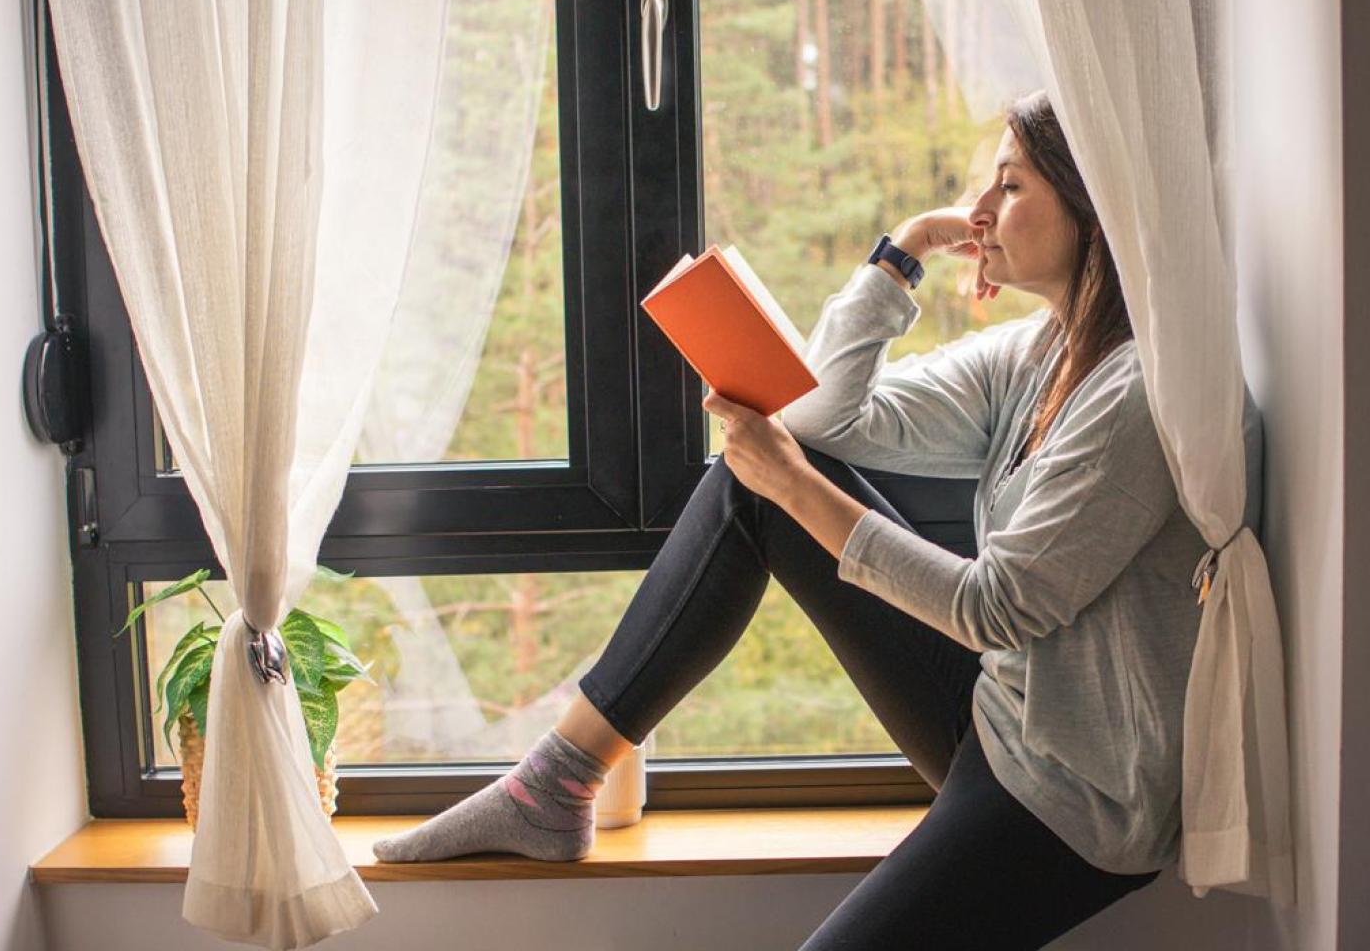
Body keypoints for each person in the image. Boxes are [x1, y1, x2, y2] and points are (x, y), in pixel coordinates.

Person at [373, 90, 1263, 950]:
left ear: (1094, 209)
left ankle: (551, 787)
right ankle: (557, 782)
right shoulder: (1042, 350)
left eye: (1012, 185)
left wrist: (799, 486)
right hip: (1004, 712)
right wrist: (901, 254)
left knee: (779, 480)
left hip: (1075, 796)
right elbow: (820, 418)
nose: (981, 211)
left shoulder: (1137, 392)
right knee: (753, 483)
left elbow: (997, 607)